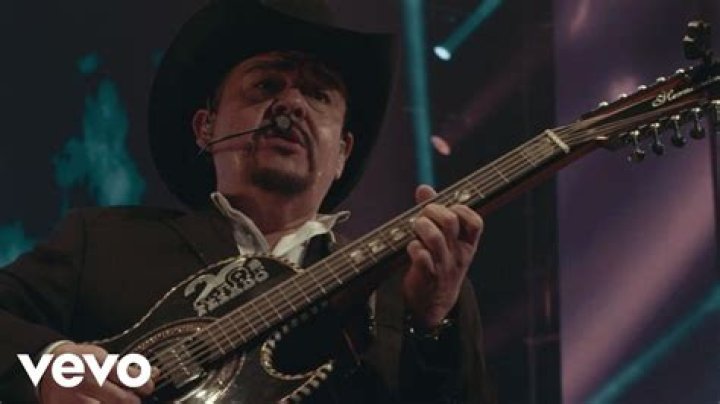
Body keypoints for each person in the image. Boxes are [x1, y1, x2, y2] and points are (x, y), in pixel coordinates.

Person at [0, 0, 492, 402]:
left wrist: (432, 324)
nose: (291, 104)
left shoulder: (410, 287)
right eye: (266, 85)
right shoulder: (103, 242)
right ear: (206, 127)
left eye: (318, 95)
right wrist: (50, 368)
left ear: (343, 152)